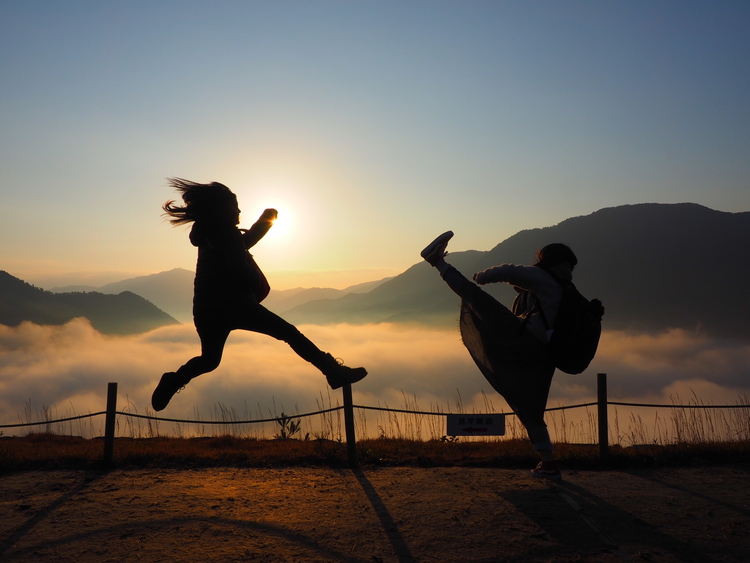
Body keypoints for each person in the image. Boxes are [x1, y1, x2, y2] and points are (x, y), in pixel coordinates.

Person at [151, 178, 367, 411]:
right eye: (235, 206)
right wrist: (255, 282)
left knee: (209, 360)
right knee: (290, 333)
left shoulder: (210, 234)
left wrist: (266, 221)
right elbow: (239, 264)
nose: (239, 210)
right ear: (221, 210)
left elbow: (243, 243)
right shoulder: (225, 234)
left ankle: (174, 380)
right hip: (236, 304)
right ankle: (333, 372)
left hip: (206, 309)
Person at [421, 231, 597, 481]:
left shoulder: (544, 278)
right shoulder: (568, 289)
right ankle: (549, 464)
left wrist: (481, 277)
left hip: (522, 340)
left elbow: (509, 271)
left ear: (548, 259)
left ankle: (437, 261)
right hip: (546, 355)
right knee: (532, 410)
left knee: (474, 296)